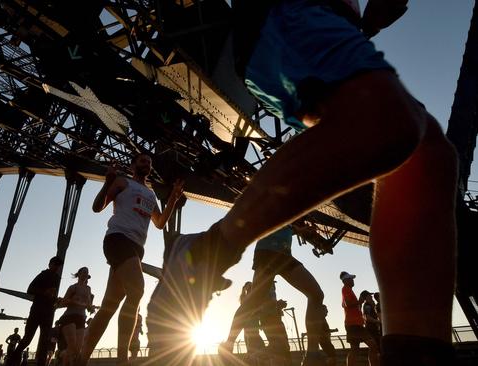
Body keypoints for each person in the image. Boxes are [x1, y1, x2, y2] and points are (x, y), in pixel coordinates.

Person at [146, 0, 458, 365]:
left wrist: (365, 24)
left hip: (323, 22)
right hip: (286, 12)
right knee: (385, 117)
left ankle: (416, 353)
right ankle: (205, 252)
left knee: (427, 156)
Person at [78, 153, 184, 366]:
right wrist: (107, 182)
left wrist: (172, 197)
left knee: (109, 305)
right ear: (133, 165)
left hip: (136, 248)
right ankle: (122, 359)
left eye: (149, 162)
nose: (147, 164)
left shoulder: (151, 194)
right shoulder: (122, 181)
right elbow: (97, 207)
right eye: (143, 161)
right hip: (118, 239)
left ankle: (80, 359)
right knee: (137, 290)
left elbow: (160, 222)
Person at [219, 226, 326, 365]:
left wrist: (299, 230)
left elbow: (286, 225)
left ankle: (312, 354)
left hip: (284, 253)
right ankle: (228, 344)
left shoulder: (290, 213)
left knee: (316, 294)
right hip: (268, 251)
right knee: (253, 302)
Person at [6, 256, 64, 366]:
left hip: (48, 312)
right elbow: (30, 289)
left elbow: (52, 294)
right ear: (50, 264)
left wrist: (56, 299)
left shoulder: (57, 278)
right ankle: (12, 360)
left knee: (44, 340)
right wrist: (44, 292)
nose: (57, 267)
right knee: (28, 338)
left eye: (59, 266)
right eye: (55, 264)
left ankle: (40, 363)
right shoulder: (42, 275)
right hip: (37, 310)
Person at [58, 267, 95, 365]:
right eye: (83, 272)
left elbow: (88, 305)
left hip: (81, 318)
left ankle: (63, 354)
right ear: (78, 274)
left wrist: (91, 308)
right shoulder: (72, 287)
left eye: (87, 273)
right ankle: (64, 358)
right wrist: (73, 301)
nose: (85, 275)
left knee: (77, 350)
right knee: (72, 346)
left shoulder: (88, 289)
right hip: (69, 316)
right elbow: (63, 302)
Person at [220, 282, 265, 361]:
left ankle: (250, 358)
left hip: (251, 327)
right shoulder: (248, 300)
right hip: (249, 328)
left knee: (255, 347)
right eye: (249, 287)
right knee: (256, 346)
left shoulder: (249, 300)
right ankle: (249, 358)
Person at [341, 272, 379, 366]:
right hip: (354, 325)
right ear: (346, 281)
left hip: (354, 324)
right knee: (373, 346)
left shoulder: (348, 290)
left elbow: (345, 304)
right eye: (351, 279)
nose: (353, 280)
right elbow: (347, 303)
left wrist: (359, 303)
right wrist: (359, 302)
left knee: (355, 350)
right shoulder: (346, 289)